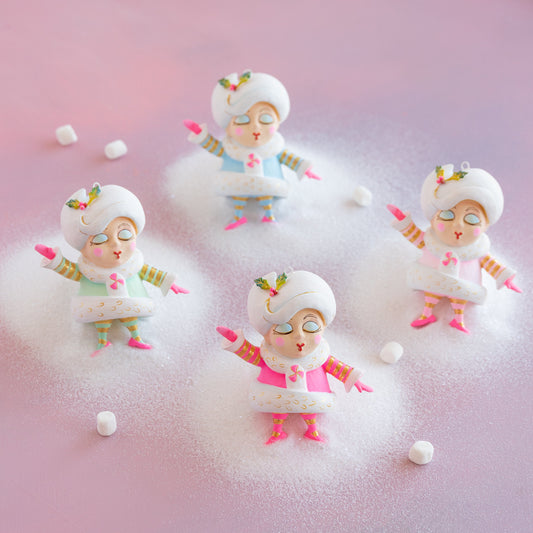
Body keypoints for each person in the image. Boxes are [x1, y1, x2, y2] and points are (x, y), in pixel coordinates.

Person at [217, 270, 372, 444]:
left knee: (310, 410)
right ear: (268, 336)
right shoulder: (269, 356)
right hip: (274, 393)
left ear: (323, 327)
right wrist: (237, 343)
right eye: (285, 329)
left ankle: (312, 430)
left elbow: (334, 366)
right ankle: (277, 431)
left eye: (310, 326)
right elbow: (252, 355)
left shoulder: (319, 356)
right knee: (278, 408)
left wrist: (352, 377)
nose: (299, 336)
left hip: (314, 395)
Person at [35, 183, 188, 355]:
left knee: (130, 316)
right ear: (83, 248)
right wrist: (56, 261)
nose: (116, 245)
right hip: (96, 304)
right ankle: (102, 341)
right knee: (102, 319)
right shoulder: (88, 270)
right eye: (100, 239)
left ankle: (136, 337)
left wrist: (168, 282)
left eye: (125, 235)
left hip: (133, 302)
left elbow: (149, 273)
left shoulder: (134, 264)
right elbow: (72, 271)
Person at [388, 162, 521, 333]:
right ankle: (426, 314)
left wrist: (505, 277)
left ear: (485, 225)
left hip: (465, 286)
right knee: (431, 294)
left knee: (459, 299)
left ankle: (458, 320)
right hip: (431, 279)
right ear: (433, 219)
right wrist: (404, 222)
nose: (458, 225)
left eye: (471, 219)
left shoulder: (477, 250)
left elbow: (490, 264)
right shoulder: (431, 240)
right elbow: (415, 237)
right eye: (448, 215)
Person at [185, 70, 320, 230]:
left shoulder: (274, 148)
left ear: (277, 122)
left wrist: (303, 167)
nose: (255, 128)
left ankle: (269, 215)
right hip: (235, 182)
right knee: (239, 196)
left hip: (270, 184)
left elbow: (287, 158)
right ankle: (238, 216)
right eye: (243, 120)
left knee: (266, 195)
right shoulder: (231, 148)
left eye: (265, 118)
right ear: (228, 128)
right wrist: (202, 136)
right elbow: (216, 148)